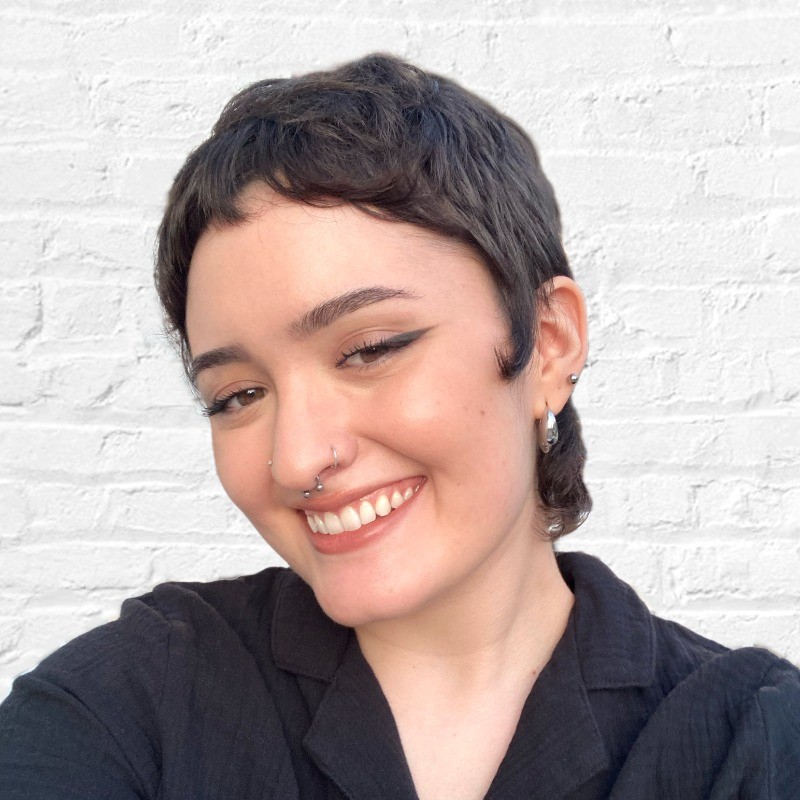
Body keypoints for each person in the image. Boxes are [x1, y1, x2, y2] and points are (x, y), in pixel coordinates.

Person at [1, 53, 798, 800]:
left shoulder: (750, 741)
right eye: (237, 396)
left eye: (369, 350)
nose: (296, 459)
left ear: (548, 344)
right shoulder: (126, 709)